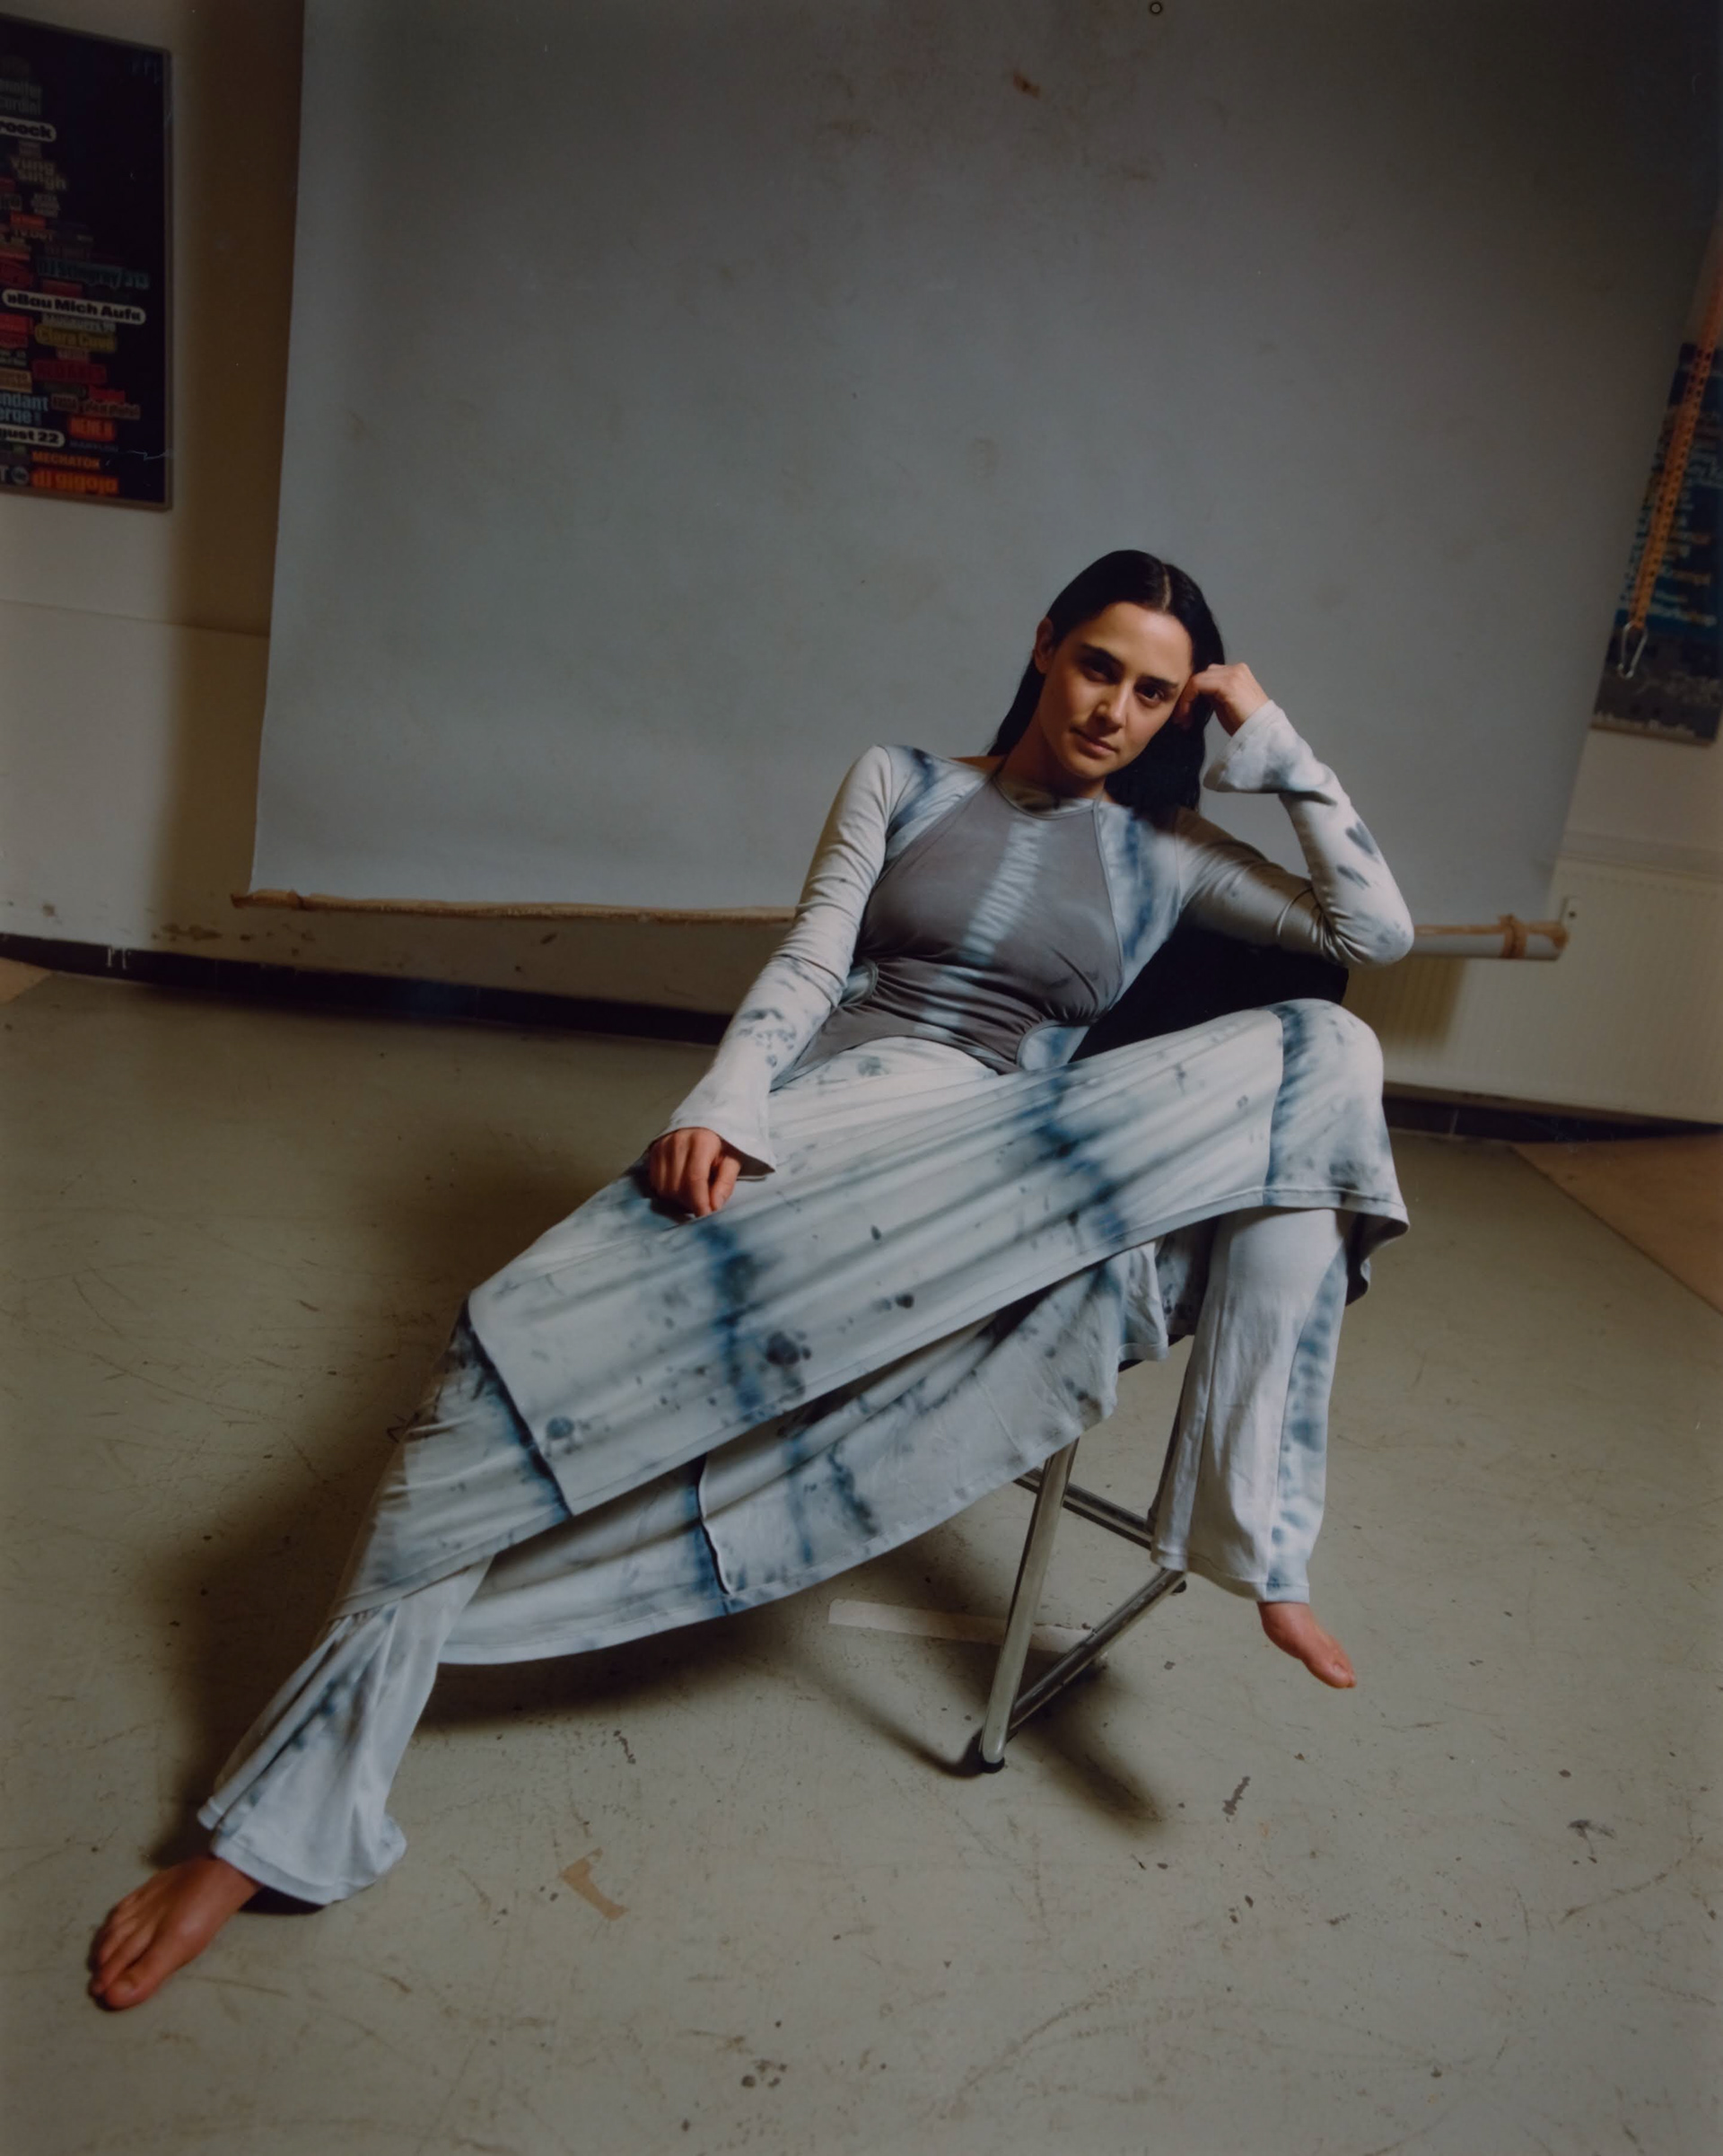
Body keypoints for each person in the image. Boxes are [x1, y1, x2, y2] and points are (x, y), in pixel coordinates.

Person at [88, 549, 1414, 2010]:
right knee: (496, 1357)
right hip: (834, 1121)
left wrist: (1266, 738)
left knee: (1332, 1053)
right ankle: (283, 1816)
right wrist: (724, 1102)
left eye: (1157, 693)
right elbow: (811, 961)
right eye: (1100, 665)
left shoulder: (1172, 854)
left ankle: (1262, 1545)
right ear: (1044, 644)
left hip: (1002, 1161)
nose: (1118, 709)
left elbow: (1374, 934)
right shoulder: (903, 779)